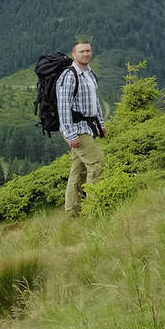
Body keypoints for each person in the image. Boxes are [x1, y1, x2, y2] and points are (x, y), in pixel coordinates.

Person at [57, 38, 106, 217]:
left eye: (88, 51)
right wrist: (70, 134)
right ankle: (95, 208)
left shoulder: (89, 73)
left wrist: (101, 125)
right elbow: (63, 107)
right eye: (82, 51)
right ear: (74, 55)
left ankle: (72, 214)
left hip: (88, 127)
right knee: (98, 164)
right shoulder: (69, 75)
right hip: (76, 130)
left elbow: (95, 103)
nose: (86, 54)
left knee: (78, 172)